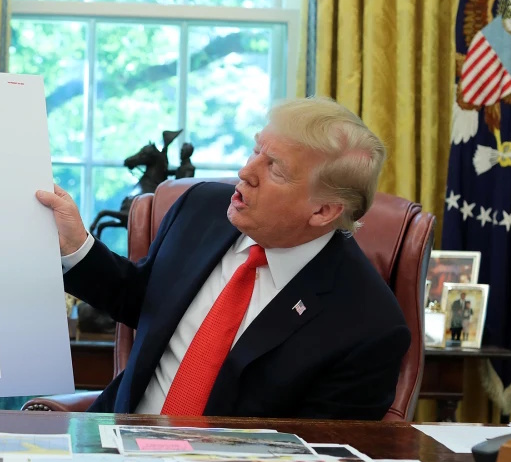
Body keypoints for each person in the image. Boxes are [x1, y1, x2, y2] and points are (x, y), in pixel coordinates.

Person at [36, 97, 410, 420]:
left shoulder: (369, 326)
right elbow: (142, 299)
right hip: (118, 446)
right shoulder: (202, 208)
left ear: (323, 211)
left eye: (274, 168)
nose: (245, 172)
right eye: (256, 150)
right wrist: (76, 245)